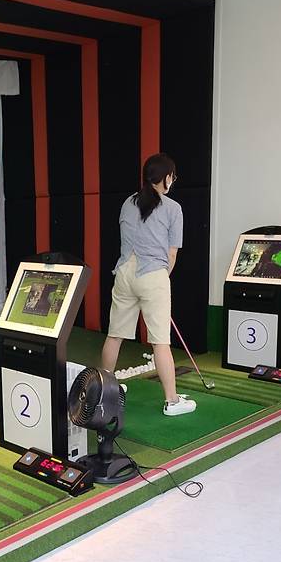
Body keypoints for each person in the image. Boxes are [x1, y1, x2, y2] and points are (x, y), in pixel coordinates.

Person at [101, 153, 196, 417]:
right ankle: (172, 400)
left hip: (124, 273)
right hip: (153, 275)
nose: (173, 181)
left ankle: (103, 393)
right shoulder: (173, 208)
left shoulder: (126, 203)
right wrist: (162, 281)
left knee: (114, 335)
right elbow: (172, 255)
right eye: (172, 176)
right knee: (160, 342)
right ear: (166, 178)